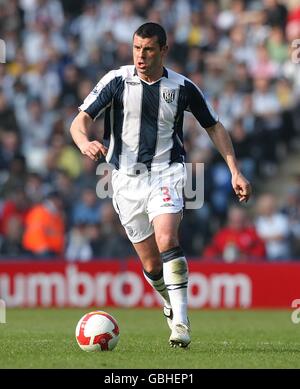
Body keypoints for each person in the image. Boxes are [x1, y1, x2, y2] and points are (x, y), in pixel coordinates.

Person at [70, 22, 252, 348]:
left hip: (167, 172)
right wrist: (84, 141)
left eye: (149, 49)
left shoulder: (182, 87)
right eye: (137, 48)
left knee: (168, 237)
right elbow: (79, 121)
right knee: (152, 265)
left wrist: (235, 170)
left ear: (163, 50)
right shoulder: (116, 81)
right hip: (125, 180)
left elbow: (214, 126)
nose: (141, 55)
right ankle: (168, 301)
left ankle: (181, 322)